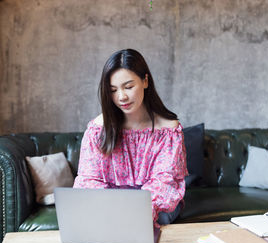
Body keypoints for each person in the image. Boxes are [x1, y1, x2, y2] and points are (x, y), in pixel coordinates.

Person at [73, 48, 188, 227]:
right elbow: (88, 179)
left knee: (142, 224)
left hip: (154, 206)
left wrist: (135, 210)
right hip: (108, 205)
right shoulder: (98, 128)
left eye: (128, 87)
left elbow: (164, 183)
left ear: (145, 81)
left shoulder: (168, 130)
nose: (121, 97)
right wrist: (114, 207)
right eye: (113, 90)